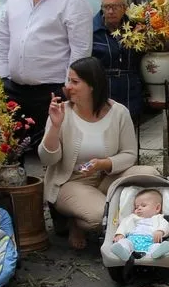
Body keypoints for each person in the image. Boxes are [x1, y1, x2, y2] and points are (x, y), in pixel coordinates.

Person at [40, 57, 159, 249]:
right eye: (68, 80)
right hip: (71, 182)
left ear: (92, 86)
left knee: (151, 174)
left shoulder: (118, 112)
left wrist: (103, 164)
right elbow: (47, 158)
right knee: (101, 215)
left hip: (107, 177)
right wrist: (55, 127)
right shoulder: (63, 113)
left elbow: (130, 154)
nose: (68, 87)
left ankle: (127, 219)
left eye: (75, 82)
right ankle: (76, 221)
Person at [0, 0, 93, 141]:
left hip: (51, 94)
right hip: (14, 91)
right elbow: (3, 40)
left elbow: (81, 51)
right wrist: (2, 79)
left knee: (50, 150)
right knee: (11, 150)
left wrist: (68, 88)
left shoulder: (72, 0)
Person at [92, 0, 144, 123]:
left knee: (128, 130)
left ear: (124, 8)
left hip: (130, 92)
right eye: (106, 7)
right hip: (103, 92)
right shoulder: (92, 31)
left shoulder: (136, 28)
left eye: (115, 7)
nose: (110, 11)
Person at [111, 189, 169, 261]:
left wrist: (160, 231)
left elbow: (166, 225)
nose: (139, 208)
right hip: (132, 240)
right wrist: (120, 234)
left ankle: (156, 253)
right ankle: (124, 252)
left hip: (150, 241)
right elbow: (124, 224)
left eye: (143, 205)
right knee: (124, 242)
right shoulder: (133, 217)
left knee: (156, 246)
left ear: (157, 208)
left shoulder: (159, 218)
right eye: (136, 207)